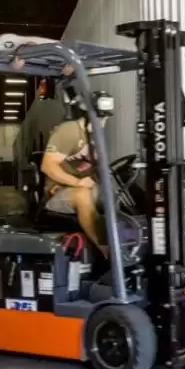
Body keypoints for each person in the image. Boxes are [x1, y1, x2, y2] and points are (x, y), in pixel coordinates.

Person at [40, 92, 114, 256]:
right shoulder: (70, 131)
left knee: (116, 196)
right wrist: (77, 182)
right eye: (100, 118)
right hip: (58, 192)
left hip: (86, 186)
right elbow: (47, 166)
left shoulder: (94, 136)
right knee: (82, 195)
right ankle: (107, 253)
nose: (104, 122)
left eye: (105, 118)